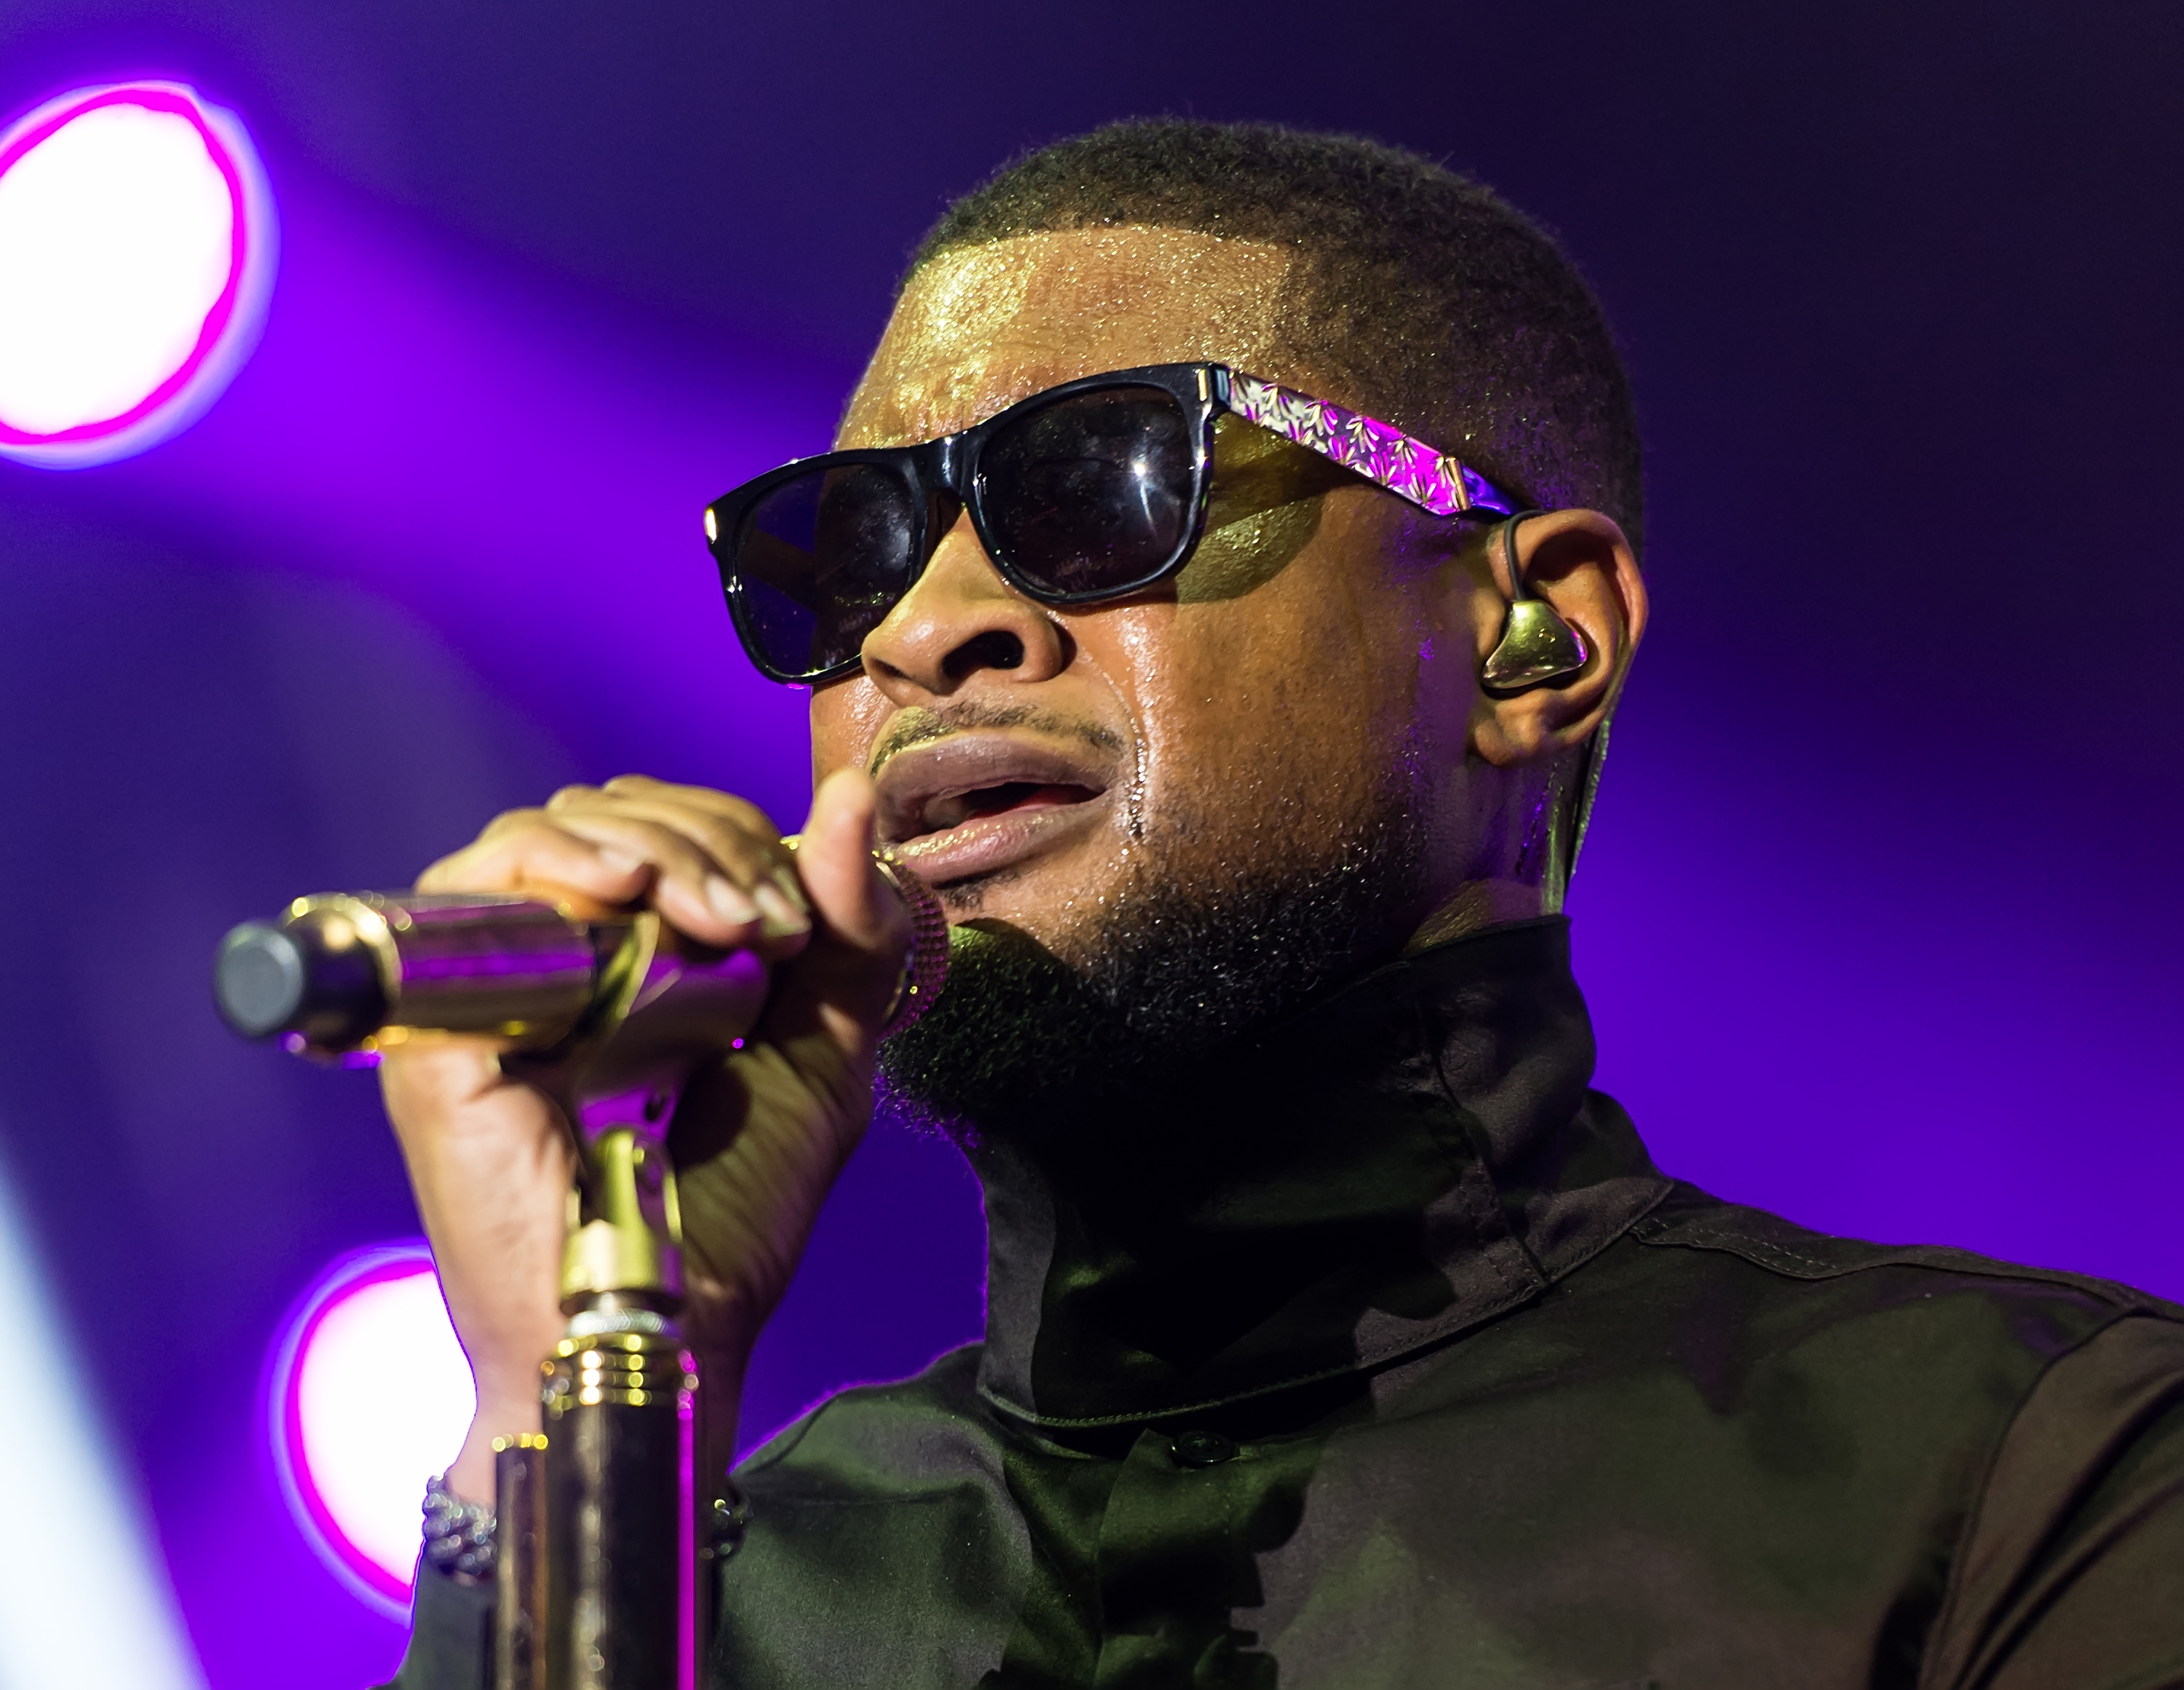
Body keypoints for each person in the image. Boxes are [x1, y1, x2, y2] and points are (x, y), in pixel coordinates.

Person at [385, 122, 2184, 1689]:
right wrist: (569, 1397)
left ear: (1531, 638)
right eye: (847, 551)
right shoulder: (696, 1600)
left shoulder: (2030, 1480)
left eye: (1102, 484)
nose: (922, 630)